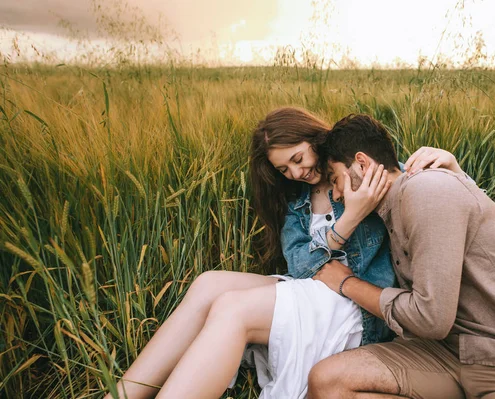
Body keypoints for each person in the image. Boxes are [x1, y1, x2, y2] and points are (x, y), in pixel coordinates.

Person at [105, 107, 463, 399]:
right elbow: (303, 266)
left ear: (316, 140)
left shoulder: (359, 172)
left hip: (358, 303)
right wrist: (348, 221)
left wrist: (455, 166)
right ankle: (123, 394)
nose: (295, 172)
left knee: (233, 308)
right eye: (283, 169)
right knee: (209, 283)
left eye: (297, 157)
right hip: (315, 287)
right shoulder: (297, 202)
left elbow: (431, 196)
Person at [308, 114, 495, 399]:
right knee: (328, 381)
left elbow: (431, 318)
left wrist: (348, 284)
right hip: (444, 354)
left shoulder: (427, 190)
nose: (337, 195)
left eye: (335, 180)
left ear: (362, 164)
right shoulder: (388, 210)